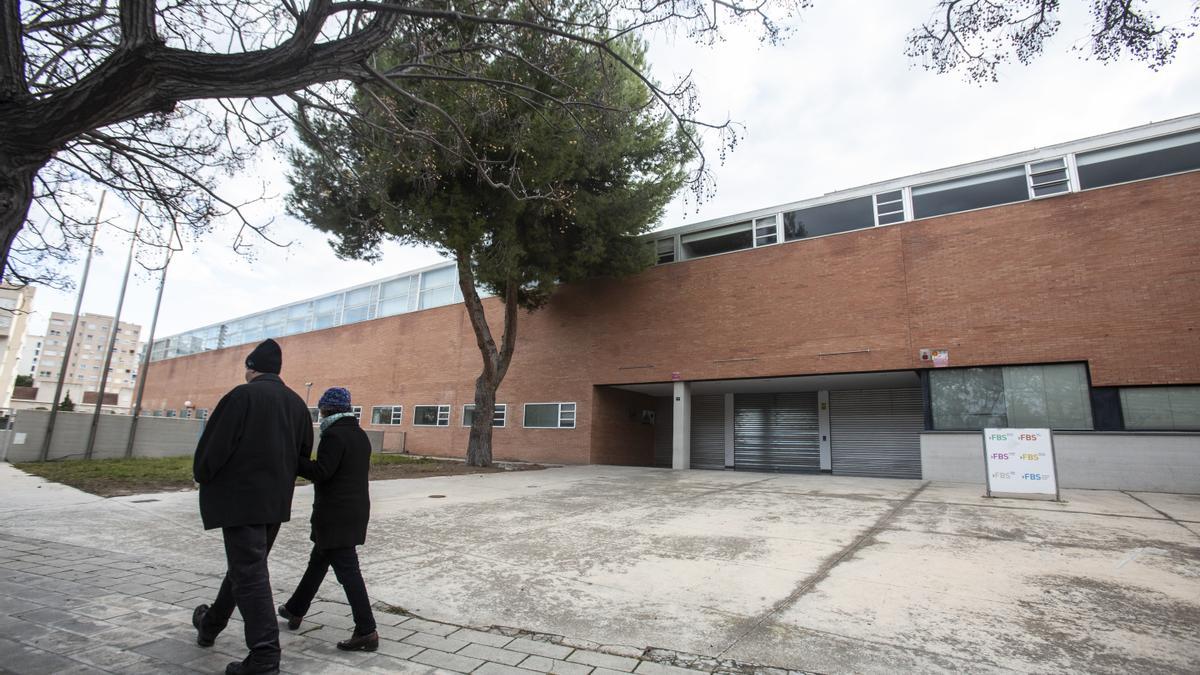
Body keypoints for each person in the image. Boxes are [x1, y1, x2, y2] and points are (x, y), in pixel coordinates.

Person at [191, 339, 314, 675]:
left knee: (250, 574)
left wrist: (202, 474)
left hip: (241, 499)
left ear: (251, 367)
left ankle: (264, 656)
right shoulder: (296, 404)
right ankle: (210, 625)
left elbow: (214, 447)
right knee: (247, 569)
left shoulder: (240, 396)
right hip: (275, 503)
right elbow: (303, 454)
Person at [277, 386, 378, 651]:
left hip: (336, 516)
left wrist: (295, 459)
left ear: (327, 409)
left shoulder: (334, 435)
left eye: (321, 408)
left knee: (349, 573)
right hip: (352, 511)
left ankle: (366, 630)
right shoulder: (358, 434)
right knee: (318, 562)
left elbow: (322, 472)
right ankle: (295, 609)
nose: (320, 413)